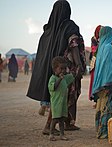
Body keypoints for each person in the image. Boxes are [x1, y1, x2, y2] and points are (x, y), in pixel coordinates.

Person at [26, 0, 85, 135]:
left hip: (54, 68)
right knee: (63, 95)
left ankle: (67, 123)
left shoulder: (48, 30)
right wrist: (79, 65)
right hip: (67, 67)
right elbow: (74, 45)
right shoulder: (70, 26)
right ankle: (48, 126)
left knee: (61, 95)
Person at [48, 56, 74, 141]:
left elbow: (72, 77)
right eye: (61, 69)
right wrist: (60, 79)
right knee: (55, 119)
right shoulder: (53, 79)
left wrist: (76, 72)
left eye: (64, 69)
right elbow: (53, 87)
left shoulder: (64, 78)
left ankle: (62, 134)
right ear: (55, 69)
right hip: (56, 104)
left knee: (62, 120)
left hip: (63, 104)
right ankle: (51, 134)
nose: (63, 71)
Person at [88, 25, 102, 109]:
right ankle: (96, 101)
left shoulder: (104, 39)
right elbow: (93, 50)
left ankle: (100, 101)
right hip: (95, 63)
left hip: (100, 62)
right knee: (95, 81)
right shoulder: (94, 39)